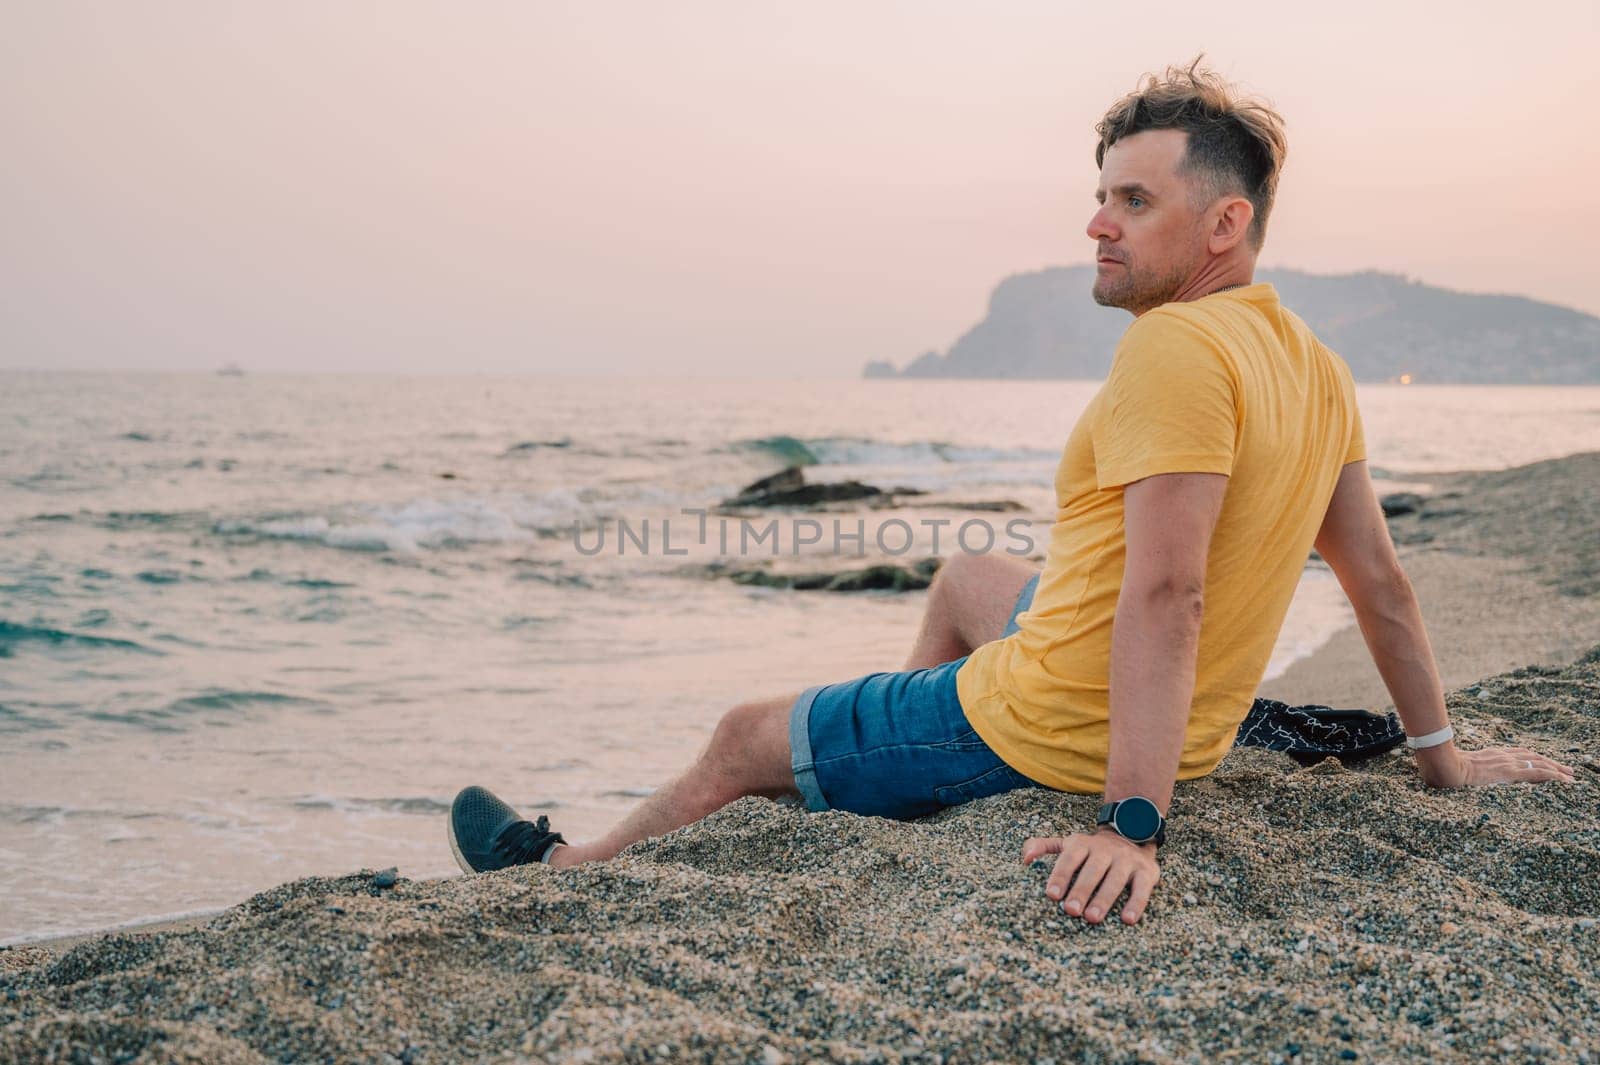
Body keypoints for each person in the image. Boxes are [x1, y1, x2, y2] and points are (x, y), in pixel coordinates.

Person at [447, 59, 1576, 926]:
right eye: (1099, 196)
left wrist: (1133, 825)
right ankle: (890, 767)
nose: (1096, 223)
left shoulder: (1177, 351)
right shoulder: (1312, 364)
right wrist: (1442, 764)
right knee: (969, 574)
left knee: (742, 734)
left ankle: (562, 870)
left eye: (1133, 201)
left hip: (1059, 728)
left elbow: (1168, 593)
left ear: (1223, 223)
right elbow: (1379, 584)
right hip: (1155, 707)